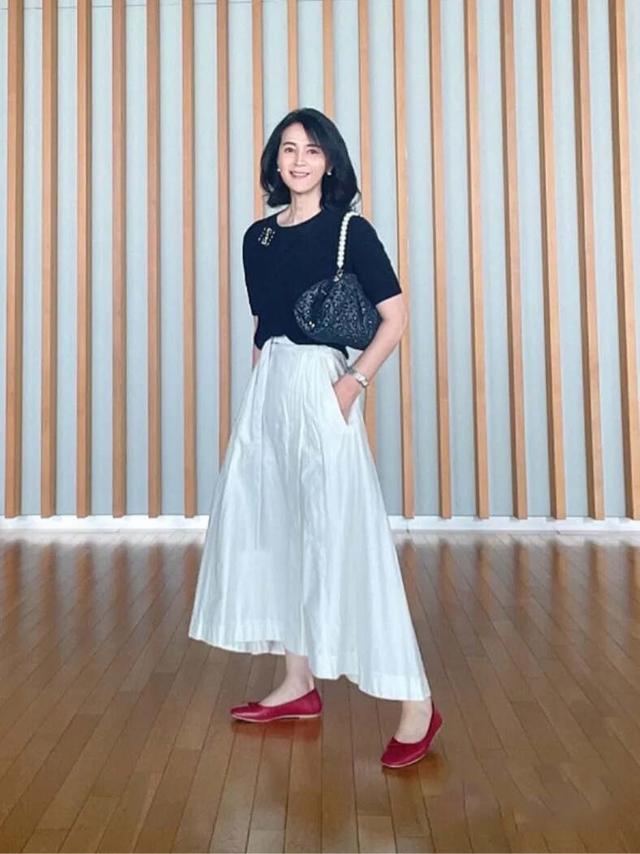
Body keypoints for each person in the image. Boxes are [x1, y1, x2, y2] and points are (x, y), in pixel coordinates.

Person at [188, 107, 442, 768]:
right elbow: (263, 326)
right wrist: (256, 406)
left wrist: (351, 385)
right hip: (269, 391)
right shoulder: (258, 237)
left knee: (346, 539)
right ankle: (297, 683)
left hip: (324, 388)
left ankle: (416, 703)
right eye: (288, 149)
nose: (298, 161)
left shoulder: (350, 230)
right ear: (275, 161)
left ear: (330, 162)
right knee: (278, 531)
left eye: (311, 150)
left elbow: (395, 317)